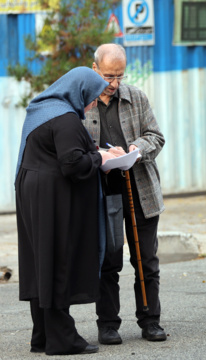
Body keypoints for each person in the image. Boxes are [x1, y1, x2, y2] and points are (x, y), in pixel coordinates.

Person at [15, 67, 118, 356]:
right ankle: (63, 339)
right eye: (93, 97)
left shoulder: (44, 108)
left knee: (41, 262)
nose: (94, 103)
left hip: (33, 191)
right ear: (80, 91)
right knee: (57, 260)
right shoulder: (66, 119)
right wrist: (101, 157)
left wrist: (95, 153)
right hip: (51, 197)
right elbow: (72, 163)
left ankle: (43, 336)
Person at [84, 44, 167, 344]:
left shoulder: (137, 98)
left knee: (146, 260)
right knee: (108, 260)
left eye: (119, 75)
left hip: (140, 186)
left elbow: (156, 137)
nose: (115, 83)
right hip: (104, 189)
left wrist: (135, 149)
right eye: (108, 75)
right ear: (94, 69)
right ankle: (107, 324)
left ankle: (150, 320)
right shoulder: (82, 103)